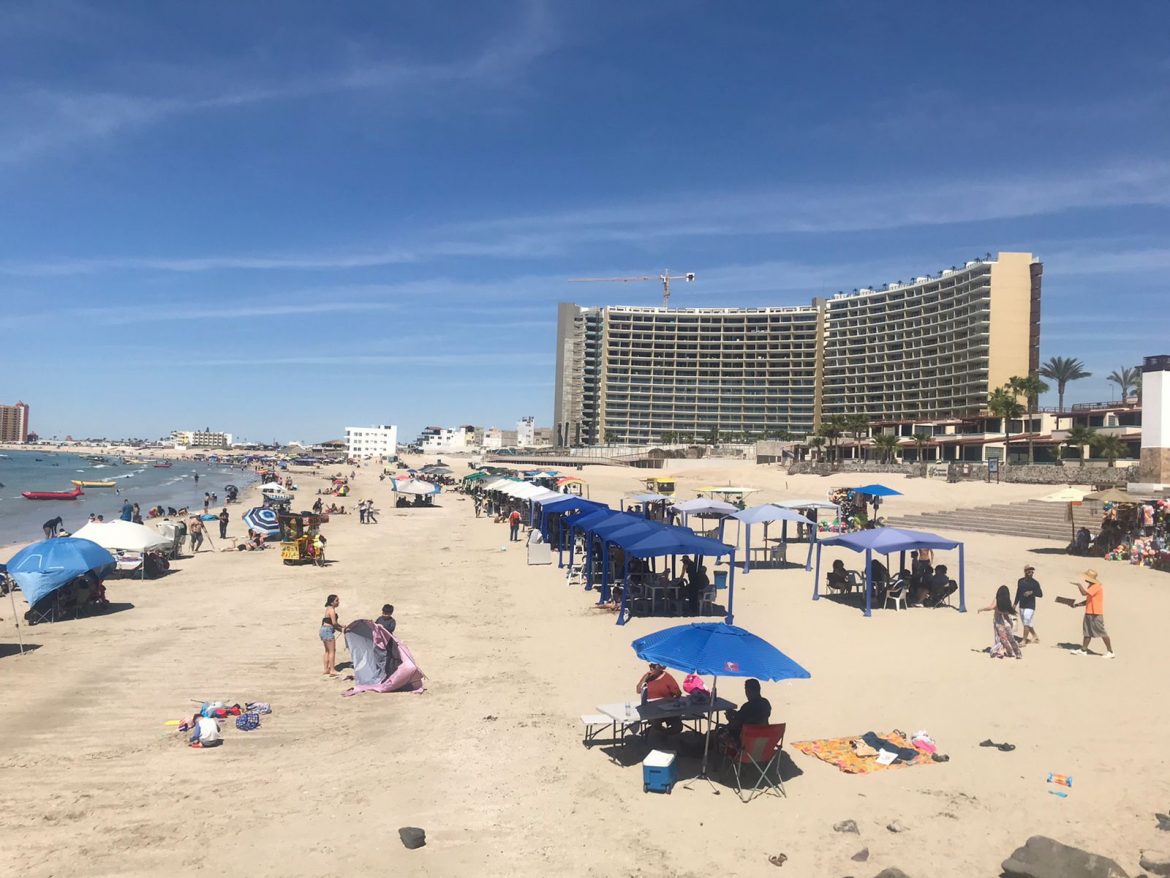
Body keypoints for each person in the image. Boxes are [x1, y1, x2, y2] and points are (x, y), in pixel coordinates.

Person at [1072, 569, 1114, 658]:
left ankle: (1110, 652)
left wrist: (1079, 585)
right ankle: (1083, 649)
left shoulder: (1096, 586)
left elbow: (1083, 594)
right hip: (1089, 611)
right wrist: (1077, 605)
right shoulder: (1091, 586)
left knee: (1101, 632)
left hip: (1096, 613)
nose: (1085, 579)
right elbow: (1088, 600)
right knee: (1087, 632)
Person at [635, 662, 683, 734]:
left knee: (678, 726)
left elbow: (678, 693)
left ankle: (664, 734)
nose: (651, 668)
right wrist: (645, 677)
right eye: (650, 666)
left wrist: (672, 699)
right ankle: (660, 733)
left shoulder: (667, 678)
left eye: (654, 667)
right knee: (656, 723)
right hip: (652, 709)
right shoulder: (648, 677)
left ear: (660, 668)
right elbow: (638, 690)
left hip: (667, 709)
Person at [724, 678, 773, 745]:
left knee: (718, 732)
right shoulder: (766, 703)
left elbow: (734, 725)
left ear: (748, 691)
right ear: (759, 689)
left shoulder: (747, 707)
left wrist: (729, 718)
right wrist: (736, 714)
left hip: (745, 742)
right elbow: (748, 716)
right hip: (763, 740)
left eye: (746, 690)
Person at [979, 585, 1021, 659]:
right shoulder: (1007, 601)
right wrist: (1010, 623)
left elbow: (991, 607)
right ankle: (1016, 653)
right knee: (1010, 638)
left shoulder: (997, 599)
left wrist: (982, 609)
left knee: (999, 638)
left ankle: (1001, 651)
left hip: (999, 622)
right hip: (1007, 622)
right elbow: (1007, 614)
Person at [1013, 565, 1043, 645]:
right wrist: (1014, 604)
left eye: (1032, 571)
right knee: (1027, 623)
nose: (1031, 572)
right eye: (1029, 571)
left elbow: (1040, 594)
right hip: (1022, 605)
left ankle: (1023, 640)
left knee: (1026, 622)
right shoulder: (1020, 581)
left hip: (1030, 606)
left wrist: (1031, 592)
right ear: (1025, 571)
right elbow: (1018, 593)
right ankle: (1035, 636)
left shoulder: (1035, 583)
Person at [320, 594, 343, 676]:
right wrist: (341, 628)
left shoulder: (328, 609)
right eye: (336, 601)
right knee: (332, 651)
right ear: (332, 602)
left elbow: (329, 622)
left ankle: (326, 669)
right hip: (328, 631)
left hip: (323, 630)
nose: (338, 602)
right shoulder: (332, 610)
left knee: (327, 651)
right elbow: (334, 623)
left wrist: (341, 626)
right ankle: (332, 670)